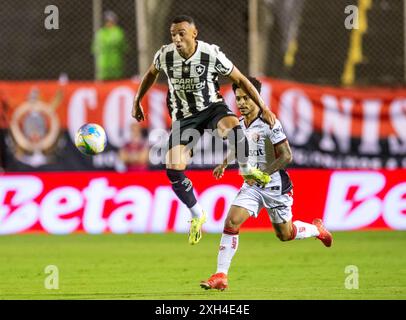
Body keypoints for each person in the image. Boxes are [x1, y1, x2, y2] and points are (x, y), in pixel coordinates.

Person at [132, 15, 276, 245]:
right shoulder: (165, 55)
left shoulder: (210, 54)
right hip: (184, 118)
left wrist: (264, 107)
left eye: (182, 33)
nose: (177, 39)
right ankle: (197, 214)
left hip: (211, 108)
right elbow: (151, 73)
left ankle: (246, 168)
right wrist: (137, 100)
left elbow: (241, 79)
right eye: (173, 34)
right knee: (173, 167)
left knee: (234, 128)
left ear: (194, 33)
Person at [200, 77, 333, 291]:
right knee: (231, 222)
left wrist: (264, 173)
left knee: (285, 234)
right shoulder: (240, 124)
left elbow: (286, 155)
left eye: (246, 98)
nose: (241, 103)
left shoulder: (270, 123)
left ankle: (317, 229)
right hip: (252, 187)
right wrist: (224, 163)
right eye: (238, 99)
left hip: (276, 188)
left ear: (256, 97)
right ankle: (221, 275)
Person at [92, 10, 128, 81]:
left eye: (110, 20)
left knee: (116, 85)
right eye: (107, 21)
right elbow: (95, 47)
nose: (109, 23)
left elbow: (122, 45)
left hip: (116, 66)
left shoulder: (118, 32)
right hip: (103, 67)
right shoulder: (101, 32)